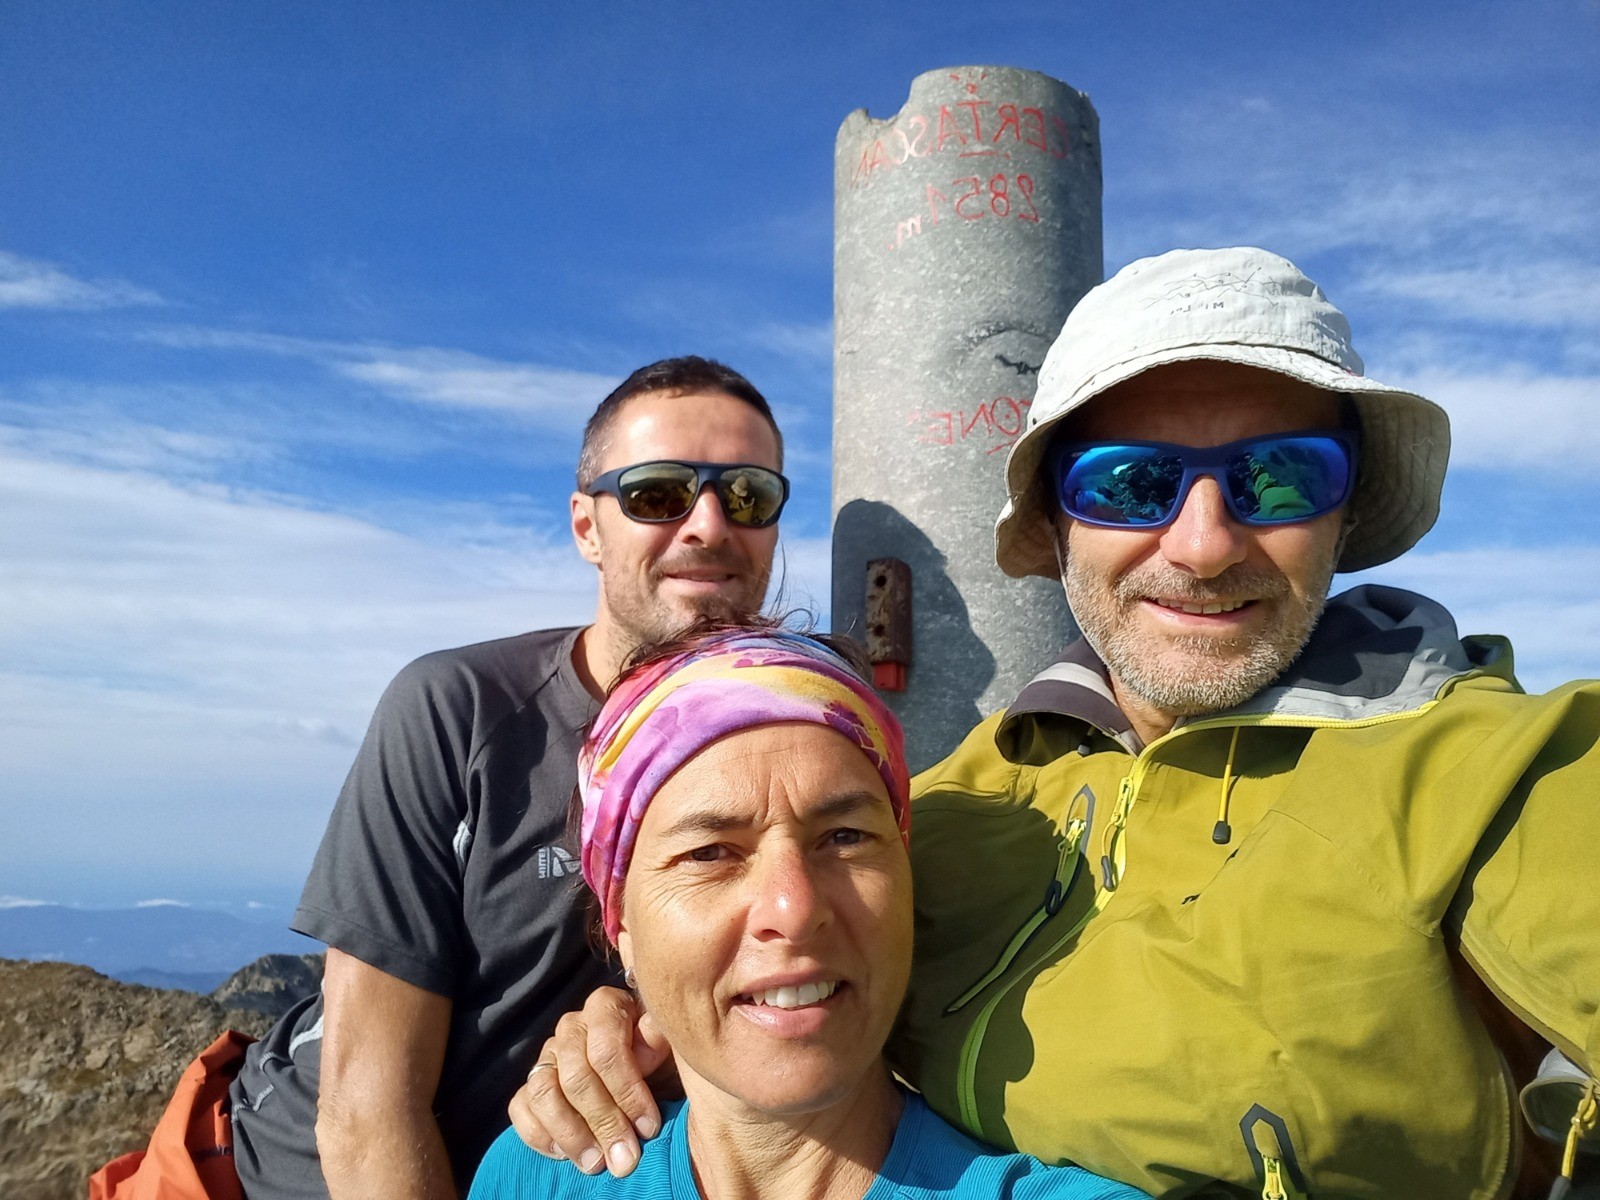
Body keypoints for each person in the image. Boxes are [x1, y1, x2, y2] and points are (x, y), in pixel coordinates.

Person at [507, 250, 1600, 1199]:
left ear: (1344, 513)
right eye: (1131, 482)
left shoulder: (1506, 771)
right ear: (1054, 520)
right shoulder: (959, 800)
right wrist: (636, 1027)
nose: (1205, 543)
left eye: (1279, 478)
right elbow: (780, 953)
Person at [94, 355, 791, 1200]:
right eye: (657, 493)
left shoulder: (791, 742)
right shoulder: (460, 711)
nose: (709, 524)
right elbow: (365, 1112)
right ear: (587, 527)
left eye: (747, 495)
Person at [471, 622, 1146, 1200]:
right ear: (619, 922)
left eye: (846, 837)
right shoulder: (535, 1179)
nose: (793, 909)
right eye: (710, 853)